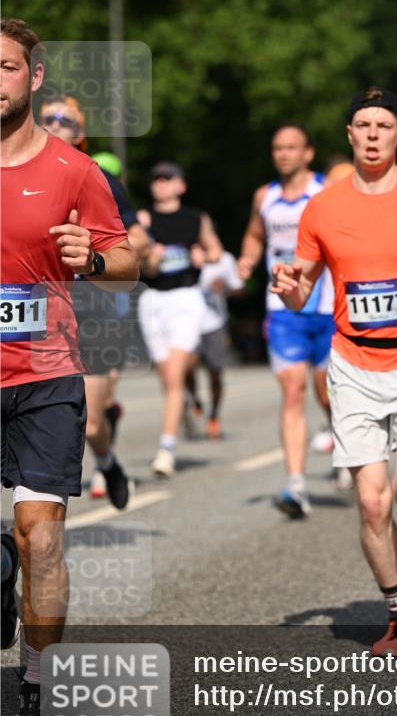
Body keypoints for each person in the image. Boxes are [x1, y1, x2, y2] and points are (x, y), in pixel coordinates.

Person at [272, 87, 397, 654]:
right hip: (353, 364)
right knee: (371, 501)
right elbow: (302, 288)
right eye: (362, 124)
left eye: (382, 125)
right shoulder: (324, 207)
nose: (371, 134)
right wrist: (290, 290)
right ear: (349, 134)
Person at [0, 17, 138, 716]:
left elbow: (126, 265)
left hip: (46, 374)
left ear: (35, 77)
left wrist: (90, 259)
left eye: (6, 67)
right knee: (13, 550)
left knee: (42, 542)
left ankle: (37, 687)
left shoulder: (75, 171)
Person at [38, 96, 150, 506]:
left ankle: (106, 460)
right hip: (35, 316)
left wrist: (93, 255)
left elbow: (135, 241)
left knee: (90, 426)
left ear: (79, 133)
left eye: (62, 120)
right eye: (45, 117)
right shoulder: (12, 172)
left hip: (92, 315)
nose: (52, 124)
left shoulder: (96, 178)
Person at [238, 124, 338, 518]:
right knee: (293, 391)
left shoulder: (326, 192)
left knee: (327, 393)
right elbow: (253, 234)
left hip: (329, 306)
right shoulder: (265, 197)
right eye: (277, 147)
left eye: (291, 147)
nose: (283, 154)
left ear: (308, 153)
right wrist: (247, 258)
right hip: (283, 309)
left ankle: (340, 439)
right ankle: (296, 485)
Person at [138, 162, 222, 477]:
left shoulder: (195, 218)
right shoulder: (143, 219)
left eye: (167, 178)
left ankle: (166, 449)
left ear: (181, 185)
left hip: (186, 299)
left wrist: (205, 255)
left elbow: (215, 250)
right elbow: (138, 261)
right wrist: (149, 256)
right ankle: (182, 400)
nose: (160, 184)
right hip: (153, 300)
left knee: (173, 375)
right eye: (156, 179)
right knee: (167, 379)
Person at [184, 250, 245, 439]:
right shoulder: (185, 252)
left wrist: (224, 287)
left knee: (215, 373)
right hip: (188, 323)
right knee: (186, 369)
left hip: (215, 324)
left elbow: (239, 288)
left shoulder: (224, 259)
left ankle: (214, 416)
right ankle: (194, 400)